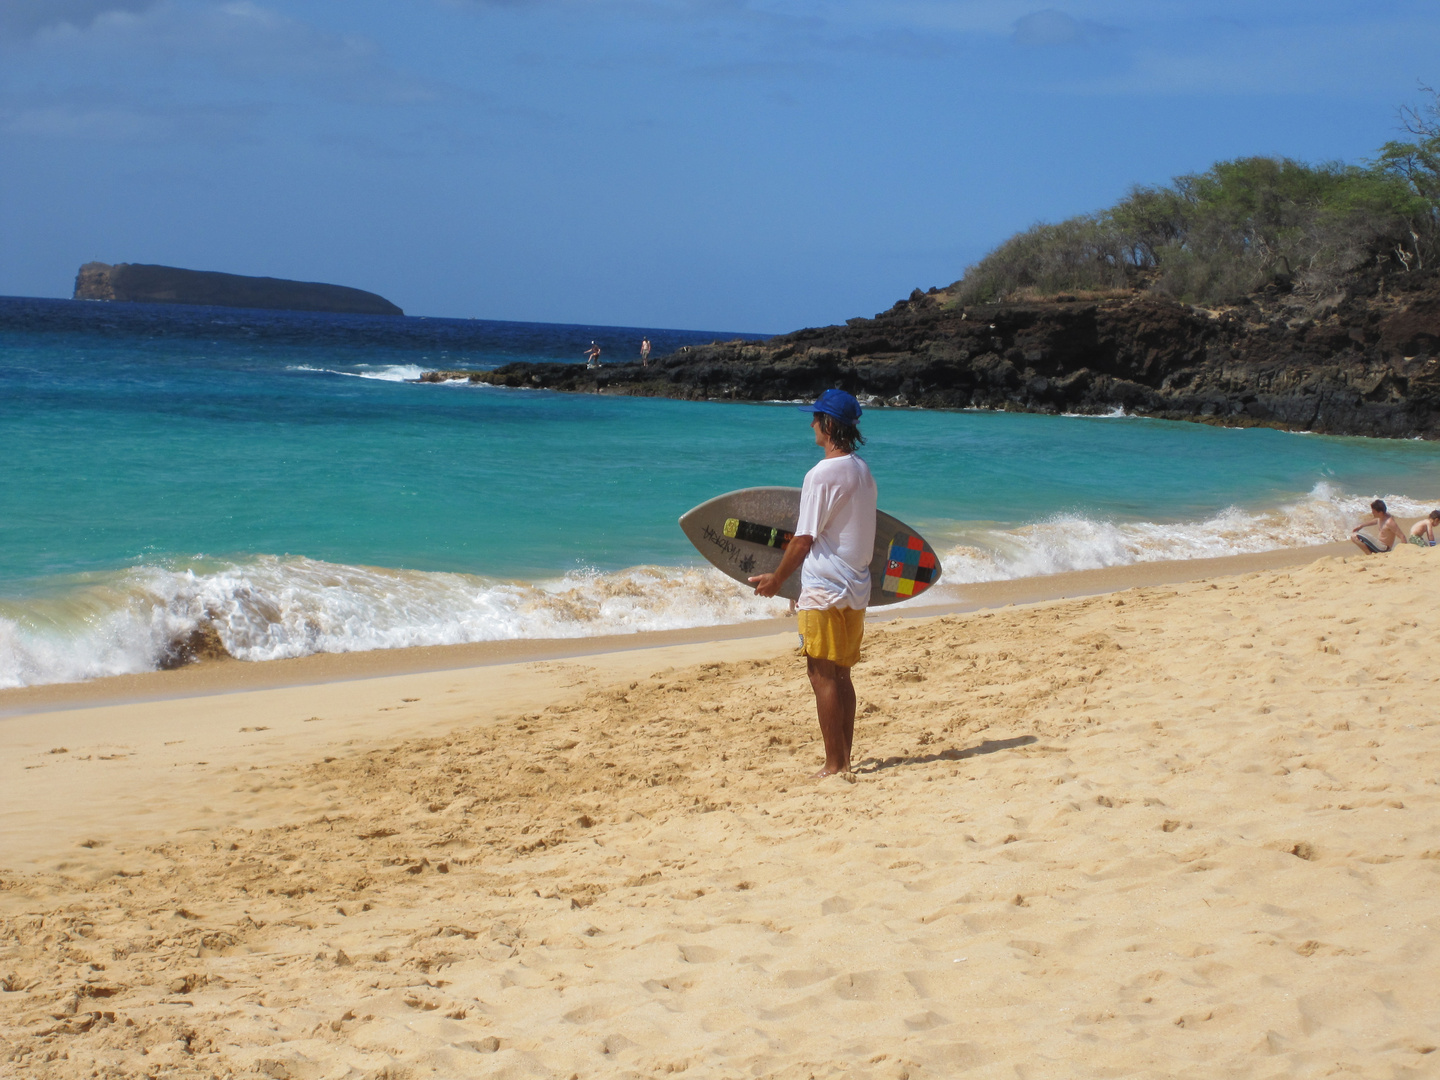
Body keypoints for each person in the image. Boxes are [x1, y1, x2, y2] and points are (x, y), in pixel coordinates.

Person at [749, 389, 877, 778]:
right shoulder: (862, 471)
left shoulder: (820, 475)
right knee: (842, 676)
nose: (811, 424)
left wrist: (777, 580)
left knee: (821, 676)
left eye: (816, 417)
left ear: (829, 424)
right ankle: (846, 758)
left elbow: (804, 539)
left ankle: (833, 764)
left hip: (824, 591)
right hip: (856, 589)